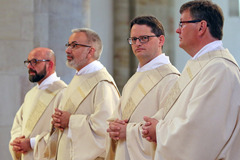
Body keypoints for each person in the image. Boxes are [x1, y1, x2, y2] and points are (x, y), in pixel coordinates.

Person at [142, 1, 240, 160]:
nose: (177, 29)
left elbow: (201, 132)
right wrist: (150, 126)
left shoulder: (220, 69)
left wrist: (159, 130)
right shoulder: (200, 65)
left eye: (182, 23)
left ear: (201, 27)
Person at [105, 16, 180, 160]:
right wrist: (114, 128)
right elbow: (118, 118)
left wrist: (128, 132)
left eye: (144, 38)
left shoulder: (171, 78)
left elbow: (169, 129)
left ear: (161, 40)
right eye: (133, 39)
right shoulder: (134, 79)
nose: (137, 43)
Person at [44, 28, 120, 160]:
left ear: (90, 51)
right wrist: (58, 120)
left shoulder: (102, 83)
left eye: (74, 46)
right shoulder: (79, 77)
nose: (67, 50)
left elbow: (105, 128)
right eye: (68, 45)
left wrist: (70, 121)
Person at [9, 47, 67, 160]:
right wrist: (16, 141)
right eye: (28, 62)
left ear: (49, 65)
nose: (29, 66)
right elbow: (18, 123)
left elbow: (63, 135)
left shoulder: (63, 93)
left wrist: (31, 143)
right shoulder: (30, 94)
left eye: (35, 62)